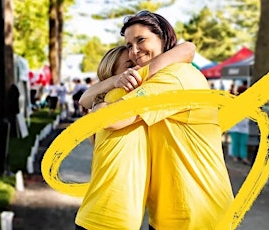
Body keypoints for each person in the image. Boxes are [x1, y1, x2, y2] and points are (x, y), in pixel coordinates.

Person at [78, 10, 233, 229]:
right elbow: (86, 99)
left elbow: (110, 117)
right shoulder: (159, 77)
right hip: (172, 214)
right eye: (129, 44)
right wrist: (113, 81)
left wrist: (100, 104)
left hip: (196, 216)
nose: (134, 52)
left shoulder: (174, 78)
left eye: (141, 40)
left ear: (164, 38)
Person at [75, 42, 196, 229]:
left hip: (110, 219)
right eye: (130, 67)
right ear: (115, 73)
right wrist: (115, 83)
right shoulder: (115, 100)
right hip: (104, 221)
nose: (138, 69)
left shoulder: (132, 101)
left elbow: (188, 48)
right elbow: (187, 49)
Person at [229, 85, 250, 164]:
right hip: (236, 126)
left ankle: (242, 157)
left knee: (241, 143)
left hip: (242, 126)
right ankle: (237, 156)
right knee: (238, 142)